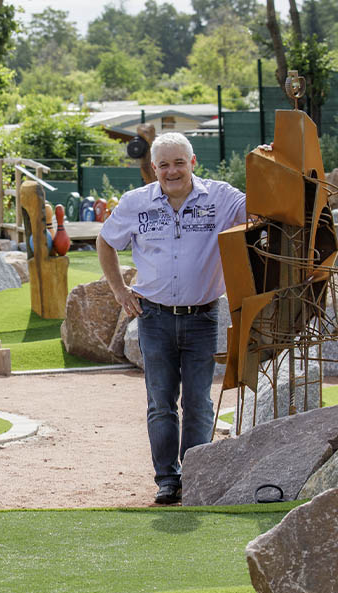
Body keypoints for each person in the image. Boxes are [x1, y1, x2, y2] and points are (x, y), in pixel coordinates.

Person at [96, 132, 247, 505]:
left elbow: (264, 210)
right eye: (163, 165)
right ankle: (167, 479)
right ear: (153, 168)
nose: (172, 170)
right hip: (154, 317)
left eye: (179, 162)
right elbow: (105, 241)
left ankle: (195, 476)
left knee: (198, 402)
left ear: (193, 162)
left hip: (202, 317)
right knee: (160, 401)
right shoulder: (136, 203)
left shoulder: (222, 198)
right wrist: (118, 290)